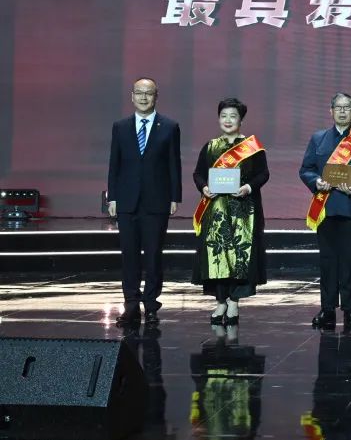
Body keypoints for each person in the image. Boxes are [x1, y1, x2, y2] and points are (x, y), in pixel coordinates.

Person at [300, 92, 351, 330]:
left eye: (347, 107)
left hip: (350, 206)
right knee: (327, 260)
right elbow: (306, 169)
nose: (343, 111)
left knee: (348, 259)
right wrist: (316, 182)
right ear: (331, 111)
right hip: (324, 207)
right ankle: (327, 309)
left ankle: (349, 309)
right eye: (338, 107)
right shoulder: (318, 139)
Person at [107, 77, 182, 327]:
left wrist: (175, 196)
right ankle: (131, 305)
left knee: (153, 255)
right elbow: (114, 164)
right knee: (129, 255)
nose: (143, 97)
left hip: (157, 201)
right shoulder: (120, 126)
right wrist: (113, 196)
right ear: (132, 96)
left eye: (148, 93)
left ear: (156, 96)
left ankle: (151, 305)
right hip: (127, 201)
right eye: (139, 92)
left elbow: (174, 164)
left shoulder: (169, 126)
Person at [191, 97, 269, 326]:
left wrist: (248, 187)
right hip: (216, 211)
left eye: (233, 116)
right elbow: (198, 173)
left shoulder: (252, 148)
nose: (228, 120)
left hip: (245, 211)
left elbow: (263, 174)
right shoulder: (210, 147)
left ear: (240, 120)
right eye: (223, 116)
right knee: (219, 257)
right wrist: (204, 187)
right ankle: (221, 301)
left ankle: (234, 300)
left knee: (240, 258)